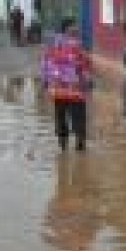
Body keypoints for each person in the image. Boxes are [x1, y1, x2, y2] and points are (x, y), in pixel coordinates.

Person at [40, 18, 91, 152]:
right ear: (67, 28)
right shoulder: (75, 45)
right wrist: (86, 81)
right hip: (74, 89)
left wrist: (45, 82)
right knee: (78, 117)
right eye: (74, 26)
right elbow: (84, 65)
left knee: (60, 116)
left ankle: (63, 146)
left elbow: (45, 64)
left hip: (58, 90)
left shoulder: (52, 44)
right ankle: (79, 145)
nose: (76, 28)